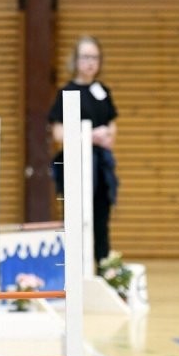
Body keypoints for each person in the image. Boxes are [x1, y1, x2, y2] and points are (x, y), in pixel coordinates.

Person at [47, 35, 118, 268]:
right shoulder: (66, 92)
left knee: (101, 218)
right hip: (75, 166)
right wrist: (88, 136)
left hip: (101, 166)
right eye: (86, 57)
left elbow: (112, 131)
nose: (91, 62)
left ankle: (102, 267)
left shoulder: (103, 91)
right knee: (75, 217)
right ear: (76, 60)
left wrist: (104, 136)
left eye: (95, 57)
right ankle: (74, 269)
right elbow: (59, 135)